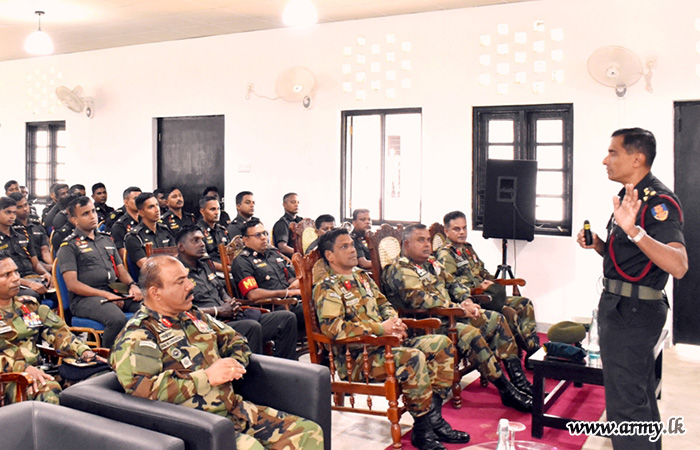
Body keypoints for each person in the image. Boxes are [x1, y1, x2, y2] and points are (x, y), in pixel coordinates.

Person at [110, 255, 323, 450]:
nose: (190, 286)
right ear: (155, 292)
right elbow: (141, 390)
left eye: (187, 278)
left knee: (308, 433)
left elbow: (235, 339)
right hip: (195, 425)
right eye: (180, 281)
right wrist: (206, 377)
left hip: (233, 410)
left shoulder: (193, 316)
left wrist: (233, 363)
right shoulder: (140, 334)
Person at [577, 128, 687, 450]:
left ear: (637, 159)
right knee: (637, 398)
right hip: (622, 306)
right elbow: (631, 262)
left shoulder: (657, 202)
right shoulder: (630, 196)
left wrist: (635, 231)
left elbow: (679, 265)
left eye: (613, 153)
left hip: (633, 313)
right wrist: (599, 244)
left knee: (625, 409)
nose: (605, 160)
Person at [314, 228, 470, 449]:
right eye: (344, 246)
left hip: (386, 346)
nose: (352, 250)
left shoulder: (361, 277)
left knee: (441, 343)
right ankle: (423, 429)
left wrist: (393, 323)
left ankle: (433, 419)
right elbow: (334, 329)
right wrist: (380, 328)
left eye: (351, 244)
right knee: (413, 357)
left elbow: (384, 304)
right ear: (330, 255)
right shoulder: (327, 287)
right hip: (359, 358)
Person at [382, 224, 533, 412]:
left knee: (496, 319)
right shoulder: (399, 269)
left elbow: (452, 283)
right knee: (469, 334)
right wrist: (457, 308)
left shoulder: (431, 262)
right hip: (425, 325)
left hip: (449, 317)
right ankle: (507, 390)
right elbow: (421, 301)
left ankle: (519, 381)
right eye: (421, 240)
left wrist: (466, 299)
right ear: (406, 244)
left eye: (428, 240)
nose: (427, 244)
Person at [176, 226, 297, 360]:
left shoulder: (206, 264)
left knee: (286, 318)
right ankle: (255, 372)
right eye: (196, 240)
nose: (202, 244)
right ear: (181, 246)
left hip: (229, 317)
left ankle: (285, 367)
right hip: (206, 325)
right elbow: (181, 311)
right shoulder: (177, 274)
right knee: (251, 327)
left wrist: (230, 302)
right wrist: (218, 310)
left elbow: (221, 290)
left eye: (202, 240)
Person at [0, 250, 105, 405]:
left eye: (16, 272)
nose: (16, 278)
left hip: (41, 370)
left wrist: (83, 351)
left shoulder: (29, 305)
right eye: (7, 275)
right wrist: (23, 367)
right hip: (10, 379)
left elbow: (58, 333)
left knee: (99, 376)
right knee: (50, 391)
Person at [436, 211, 540, 363]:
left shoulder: (467, 249)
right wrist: (478, 287)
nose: (462, 232)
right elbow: (450, 285)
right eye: (456, 229)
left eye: (464, 228)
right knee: (509, 312)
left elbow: (482, 271)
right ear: (446, 231)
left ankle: (532, 350)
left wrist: (491, 282)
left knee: (525, 303)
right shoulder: (445, 255)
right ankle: (531, 351)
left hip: (488, 295)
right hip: (474, 299)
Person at [57, 196, 143, 349]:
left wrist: (132, 285)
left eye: (93, 211)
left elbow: (121, 270)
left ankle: (137, 351)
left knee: (148, 309)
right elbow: (72, 285)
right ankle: (108, 357)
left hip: (113, 291)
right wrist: (106, 295)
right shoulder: (68, 246)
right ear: (75, 220)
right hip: (84, 299)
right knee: (116, 319)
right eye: (85, 214)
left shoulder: (106, 240)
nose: (92, 216)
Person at [231, 218, 305, 334]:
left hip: (293, 300)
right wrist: (285, 293)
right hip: (273, 307)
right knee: (313, 308)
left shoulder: (274, 254)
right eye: (258, 235)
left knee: (320, 299)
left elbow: (290, 277)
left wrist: (296, 282)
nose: (263, 238)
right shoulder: (243, 261)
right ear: (246, 240)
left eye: (264, 233)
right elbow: (253, 294)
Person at [0, 196, 53, 299]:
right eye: (8, 212)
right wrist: (29, 284)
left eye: (14, 213)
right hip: (11, 283)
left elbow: (35, 263)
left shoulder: (23, 235)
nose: (12, 216)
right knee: (33, 295)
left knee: (59, 290)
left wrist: (46, 274)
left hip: (32, 277)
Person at [124, 193, 174, 269]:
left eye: (157, 205)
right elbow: (146, 267)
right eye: (151, 207)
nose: (157, 210)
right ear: (141, 212)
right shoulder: (134, 237)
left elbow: (175, 256)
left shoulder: (165, 231)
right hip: (151, 274)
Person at [9, 192, 51, 270]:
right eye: (19, 207)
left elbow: (45, 251)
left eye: (26, 205)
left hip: (40, 263)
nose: (25, 209)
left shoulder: (37, 225)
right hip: (23, 266)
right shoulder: (10, 229)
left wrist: (53, 266)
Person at [196, 195, 229, 271]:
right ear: (202, 211)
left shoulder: (222, 230)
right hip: (209, 271)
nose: (217, 213)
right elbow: (203, 261)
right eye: (212, 209)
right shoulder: (197, 232)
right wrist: (228, 269)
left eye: (218, 209)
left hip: (226, 268)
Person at [110, 186, 142, 253]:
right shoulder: (119, 226)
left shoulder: (146, 220)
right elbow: (122, 253)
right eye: (135, 199)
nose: (139, 202)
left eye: (140, 199)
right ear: (126, 202)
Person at [272, 192, 301, 257]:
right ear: (284, 204)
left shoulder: (301, 221)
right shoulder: (282, 223)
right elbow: (282, 248)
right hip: (291, 260)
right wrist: (301, 254)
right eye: (293, 202)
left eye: (298, 202)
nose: (296, 205)